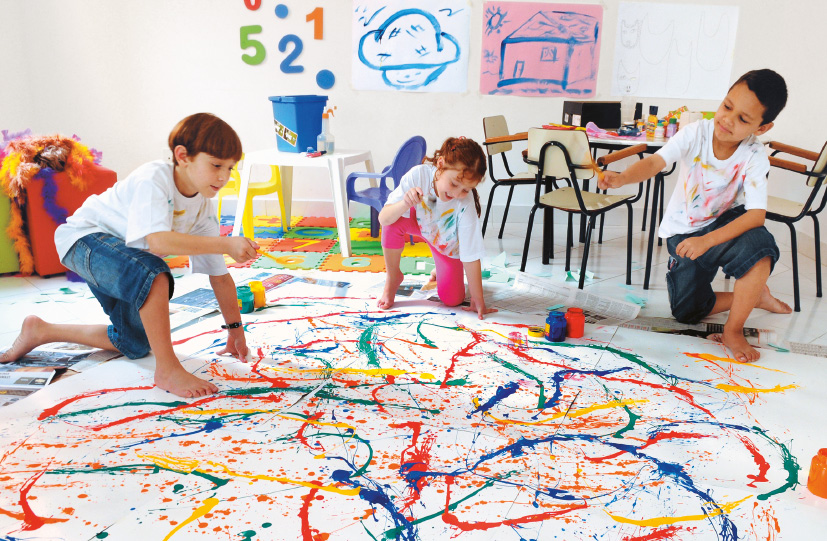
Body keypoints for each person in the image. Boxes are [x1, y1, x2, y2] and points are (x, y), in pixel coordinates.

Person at [0, 113, 259, 397]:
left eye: (231, 168)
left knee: (134, 342)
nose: (224, 176)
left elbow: (219, 276)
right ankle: (168, 368)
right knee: (154, 273)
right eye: (216, 165)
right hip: (82, 239)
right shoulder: (155, 178)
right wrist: (226, 244)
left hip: (120, 257)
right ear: (183, 156)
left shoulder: (202, 207)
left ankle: (41, 330)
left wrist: (235, 330)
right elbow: (157, 241)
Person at [598, 69, 792, 362]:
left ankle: (733, 330)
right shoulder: (695, 133)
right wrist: (622, 178)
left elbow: (755, 216)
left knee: (761, 249)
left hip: (724, 225)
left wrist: (708, 241)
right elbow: (655, 161)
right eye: (727, 106)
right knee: (686, 312)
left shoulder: (754, 154)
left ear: (762, 128)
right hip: (683, 232)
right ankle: (758, 297)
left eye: (743, 119)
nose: (727, 120)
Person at [377, 136, 497, 320]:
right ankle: (393, 277)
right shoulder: (419, 175)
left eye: (466, 189)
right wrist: (404, 203)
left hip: (445, 241)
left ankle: (440, 269)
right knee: (393, 219)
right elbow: (384, 219)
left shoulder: (465, 202)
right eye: (454, 184)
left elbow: (470, 252)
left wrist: (477, 297)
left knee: (452, 299)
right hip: (418, 224)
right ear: (440, 164)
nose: (457, 194)